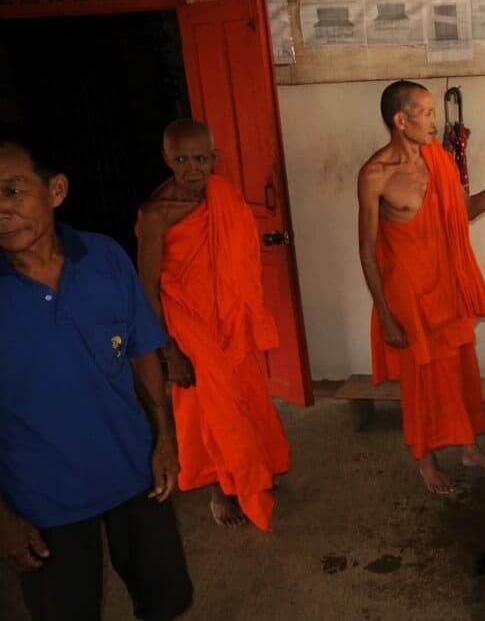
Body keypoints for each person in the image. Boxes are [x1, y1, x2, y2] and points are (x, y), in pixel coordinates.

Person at [0, 136, 193, 619]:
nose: (0, 210)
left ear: (56, 190)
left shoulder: (104, 259)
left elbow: (142, 351)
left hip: (133, 470)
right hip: (42, 498)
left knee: (165, 597)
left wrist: (164, 438)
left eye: (12, 191)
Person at [357, 80, 485, 494]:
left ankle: (469, 449)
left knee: (460, 374)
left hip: (445, 286)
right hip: (407, 294)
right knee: (420, 383)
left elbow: (466, 211)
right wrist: (384, 315)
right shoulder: (374, 175)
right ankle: (425, 462)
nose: (434, 123)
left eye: (434, 113)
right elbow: (367, 250)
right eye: (425, 113)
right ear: (400, 120)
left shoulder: (438, 160)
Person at [137, 119, 291, 530]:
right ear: (166, 158)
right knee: (207, 413)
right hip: (190, 331)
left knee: (243, 401)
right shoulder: (157, 214)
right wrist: (170, 351)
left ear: (214, 158)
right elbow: (145, 288)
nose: (192, 168)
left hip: (229, 322)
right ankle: (220, 489)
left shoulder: (222, 195)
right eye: (181, 159)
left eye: (201, 158)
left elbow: (238, 259)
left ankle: (252, 470)